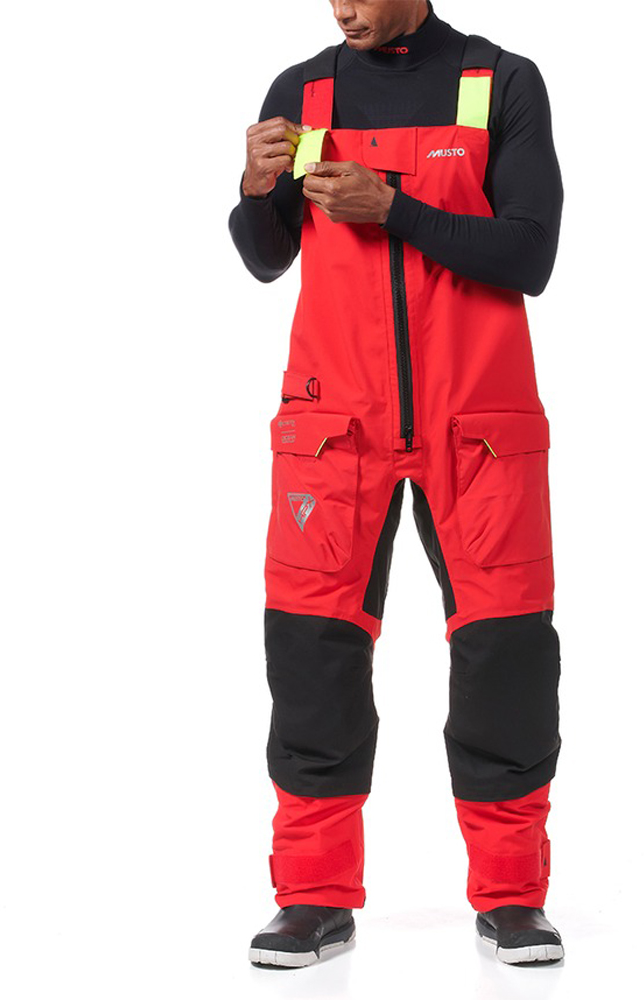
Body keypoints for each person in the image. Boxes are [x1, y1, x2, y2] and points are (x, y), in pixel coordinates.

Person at [229, 0, 565, 968]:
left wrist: (397, 210)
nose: (343, 7)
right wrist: (255, 189)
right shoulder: (305, 92)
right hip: (334, 430)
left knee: (505, 658)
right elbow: (265, 257)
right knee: (312, 658)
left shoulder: (499, 83)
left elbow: (530, 254)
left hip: (480, 432)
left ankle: (512, 897)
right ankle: (311, 898)